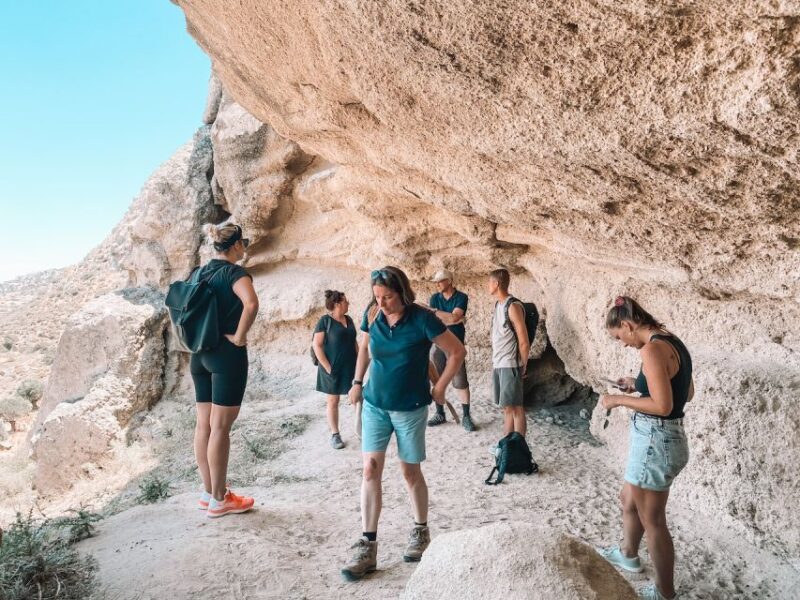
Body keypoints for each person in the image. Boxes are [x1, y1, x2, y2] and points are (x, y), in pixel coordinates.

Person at [341, 266, 466, 581]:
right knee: (370, 469)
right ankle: (368, 544)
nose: (381, 303)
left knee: (410, 472)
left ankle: (420, 530)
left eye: (387, 297)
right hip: (375, 405)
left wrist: (440, 388)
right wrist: (357, 382)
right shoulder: (372, 314)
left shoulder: (422, 319)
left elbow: (456, 352)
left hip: (410, 409)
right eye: (377, 297)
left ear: (402, 293)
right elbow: (365, 348)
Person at [597, 296, 694, 600]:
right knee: (627, 499)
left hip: (655, 439)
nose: (623, 344)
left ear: (627, 325)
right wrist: (637, 384)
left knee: (653, 522)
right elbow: (686, 392)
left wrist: (618, 399)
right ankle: (628, 554)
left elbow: (663, 406)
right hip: (663, 438)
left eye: (619, 337)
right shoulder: (671, 341)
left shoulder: (651, 349)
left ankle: (665, 593)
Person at [190, 222, 259, 518]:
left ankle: (209, 493)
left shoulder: (198, 273)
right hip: (226, 356)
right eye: (244, 243)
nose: (245, 247)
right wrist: (240, 337)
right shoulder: (234, 273)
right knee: (220, 428)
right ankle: (220, 500)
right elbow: (251, 304)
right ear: (236, 245)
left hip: (199, 355)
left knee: (203, 426)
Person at [426, 269, 475, 432]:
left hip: (455, 346)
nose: (437, 284)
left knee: (460, 380)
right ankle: (440, 413)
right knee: (437, 379)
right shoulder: (435, 298)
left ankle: (466, 416)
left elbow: (454, 318)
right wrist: (453, 319)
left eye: (440, 281)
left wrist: (437, 313)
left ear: (449, 281)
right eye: (436, 282)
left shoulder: (461, 297)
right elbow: (436, 321)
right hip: (438, 344)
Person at [313, 290, 357, 450]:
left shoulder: (349, 319)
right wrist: (328, 367)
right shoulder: (325, 321)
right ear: (337, 304)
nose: (348, 303)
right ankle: (335, 434)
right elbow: (317, 345)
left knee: (357, 398)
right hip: (332, 368)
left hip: (350, 366)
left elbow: (354, 342)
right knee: (333, 401)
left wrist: (360, 361)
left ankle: (362, 429)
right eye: (345, 301)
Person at [487, 268, 530, 436]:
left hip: (510, 364)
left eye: (489, 282)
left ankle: (519, 446)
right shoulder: (498, 305)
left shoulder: (513, 307)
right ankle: (506, 444)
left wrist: (523, 365)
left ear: (496, 283)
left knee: (516, 408)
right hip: (499, 363)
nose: (487, 285)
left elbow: (524, 341)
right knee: (507, 408)